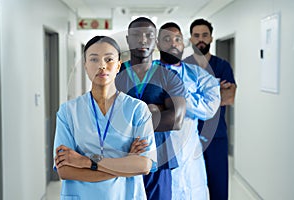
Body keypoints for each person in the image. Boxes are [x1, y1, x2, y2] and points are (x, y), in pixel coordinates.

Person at [53, 35, 157, 200]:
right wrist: (126, 163)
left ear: (118, 66)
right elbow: (65, 170)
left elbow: (144, 165)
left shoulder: (137, 109)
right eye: (94, 59)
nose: (102, 65)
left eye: (109, 59)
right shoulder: (68, 112)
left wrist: (87, 162)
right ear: (85, 66)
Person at [115, 17, 186, 200]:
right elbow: (104, 115)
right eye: (136, 35)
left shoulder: (169, 77)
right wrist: (155, 110)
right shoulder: (114, 76)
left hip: (159, 159)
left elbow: (176, 120)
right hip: (121, 156)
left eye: (148, 35)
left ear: (155, 41)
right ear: (128, 39)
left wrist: (129, 117)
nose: (143, 40)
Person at [157, 22, 221, 199]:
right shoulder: (148, 73)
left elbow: (210, 108)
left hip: (189, 151)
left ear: (183, 43)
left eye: (177, 39)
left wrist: (178, 93)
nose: (173, 43)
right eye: (167, 39)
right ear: (158, 44)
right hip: (157, 151)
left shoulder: (198, 75)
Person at [184, 18, 237, 200]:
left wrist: (194, 96)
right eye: (196, 35)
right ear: (190, 39)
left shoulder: (222, 66)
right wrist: (214, 92)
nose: (201, 39)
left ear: (211, 38)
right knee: (189, 188)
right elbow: (176, 101)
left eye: (205, 35)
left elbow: (229, 97)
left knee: (218, 187)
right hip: (188, 137)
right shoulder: (183, 66)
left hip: (216, 136)